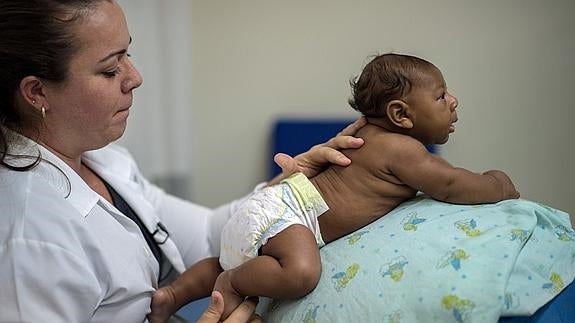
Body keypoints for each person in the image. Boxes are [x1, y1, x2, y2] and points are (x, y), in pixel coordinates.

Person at [0, 1, 366, 322]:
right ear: (37, 92)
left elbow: (210, 234)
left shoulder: (103, 161)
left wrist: (294, 188)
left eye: (128, 54)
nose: (135, 77)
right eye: (111, 69)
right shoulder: (29, 240)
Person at [148, 53, 521, 321]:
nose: (453, 102)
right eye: (441, 96)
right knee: (301, 274)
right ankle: (231, 281)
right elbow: (452, 184)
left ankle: (174, 293)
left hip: (272, 204)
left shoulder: (371, 135)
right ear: (400, 115)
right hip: (287, 213)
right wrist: (497, 183)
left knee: (225, 256)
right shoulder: (402, 149)